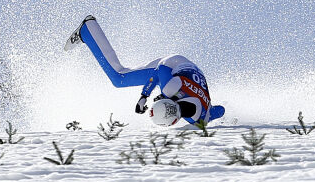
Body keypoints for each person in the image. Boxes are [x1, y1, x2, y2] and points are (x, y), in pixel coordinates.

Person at [65, 15, 225, 126]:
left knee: (164, 86)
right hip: (174, 64)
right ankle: (88, 29)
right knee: (119, 77)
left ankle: (89, 30)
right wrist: (144, 96)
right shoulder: (170, 89)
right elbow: (158, 71)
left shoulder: (203, 118)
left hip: (193, 74)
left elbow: (221, 110)